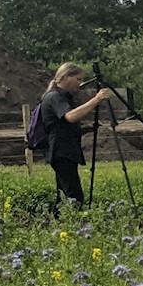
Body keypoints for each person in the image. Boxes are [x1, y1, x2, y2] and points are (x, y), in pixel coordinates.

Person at [38, 63, 113, 209]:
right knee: (74, 196)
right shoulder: (54, 97)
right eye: (78, 79)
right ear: (66, 77)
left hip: (66, 151)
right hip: (61, 152)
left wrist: (88, 129)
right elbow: (70, 117)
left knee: (66, 194)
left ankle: (60, 221)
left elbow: (65, 127)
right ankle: (73, 223)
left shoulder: (64, 97)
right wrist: (96, 100)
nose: (80, 83)